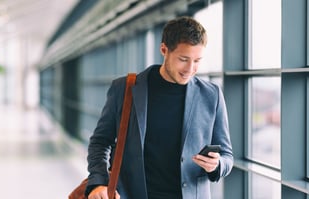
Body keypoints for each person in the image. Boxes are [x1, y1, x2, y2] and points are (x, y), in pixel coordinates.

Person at [85, 16, 233, 199]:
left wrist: (217, 165)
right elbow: (100, 142)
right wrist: (99, 182)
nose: (190, 68)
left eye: (197, 61)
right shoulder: (125, 89)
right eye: (183, 59)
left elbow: (227, 155)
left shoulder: (211, 95)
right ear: (164, 50)